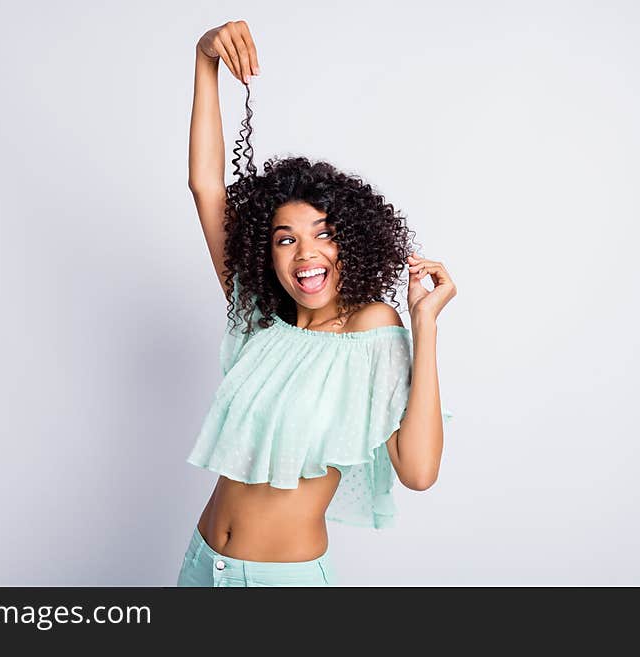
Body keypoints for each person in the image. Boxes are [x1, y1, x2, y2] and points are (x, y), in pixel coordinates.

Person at [178, 20, 456, 587]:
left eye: (322, 233)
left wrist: (424, 325)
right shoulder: (258, 319)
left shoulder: (371, 329)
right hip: (203, 562)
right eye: (286, 238)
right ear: (268, 251)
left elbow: (419, 471)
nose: (305, 253)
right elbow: (207, 187)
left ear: (350, 242)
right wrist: (204, 59)